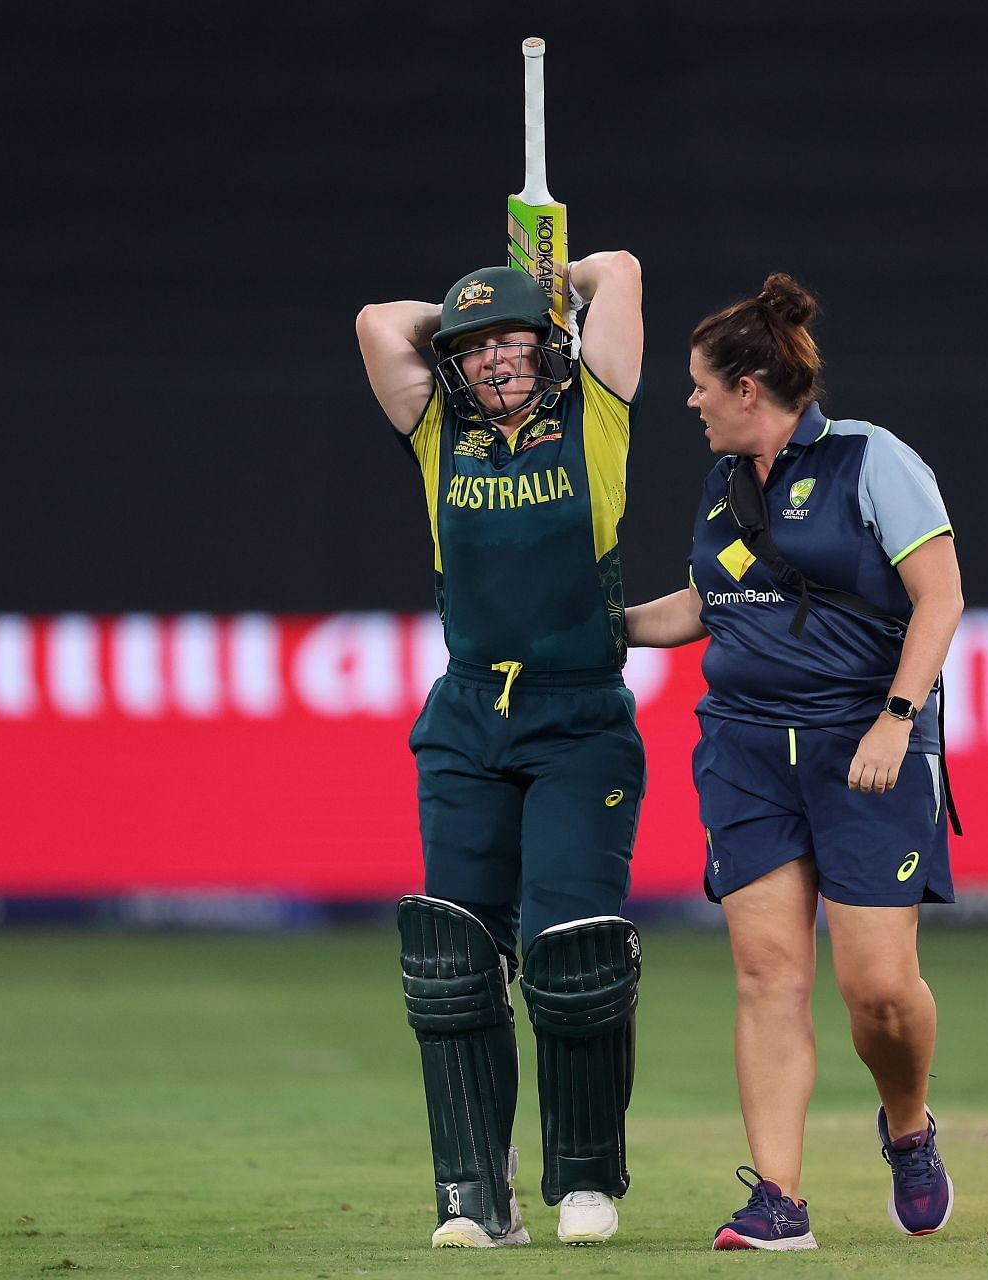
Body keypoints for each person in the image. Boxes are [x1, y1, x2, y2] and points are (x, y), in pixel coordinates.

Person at [625, 273, 964, 1250]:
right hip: (743, 747)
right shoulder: (723, 481)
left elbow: (938, 598)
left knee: (879, 992)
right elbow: (705, 606)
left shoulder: (873, 459)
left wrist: (897, 720)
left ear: (747, 386)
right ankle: (778, 1199)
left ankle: (907, 1125)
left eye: (697, 384)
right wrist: (603, 622)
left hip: (865, 747)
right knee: (768, 972)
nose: (687, 401)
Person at [354, 251, 646, 1249]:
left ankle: (585, 1178)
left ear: (551, 347)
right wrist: (472, 305)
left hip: (578, 717)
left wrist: (551, 280)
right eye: (472, 351)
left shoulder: (598, 413)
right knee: (454, 961)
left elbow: (624, 271)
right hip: (469, 715)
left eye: (511, 341)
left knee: (574, 956)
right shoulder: (442, 434)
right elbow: (374, 323)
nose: (492, 362)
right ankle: (476, 1191)